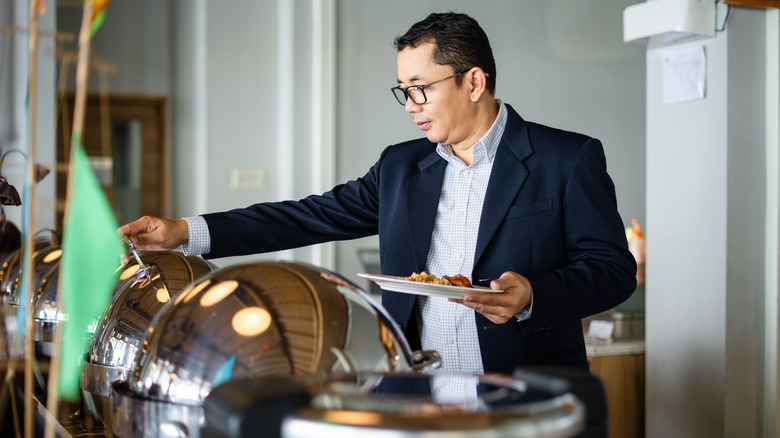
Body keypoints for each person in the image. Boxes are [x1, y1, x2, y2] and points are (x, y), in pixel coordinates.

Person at [120, 12, 636, 376]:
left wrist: (531, 297)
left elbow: (612, 272)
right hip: (415, 392)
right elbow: (307, 217)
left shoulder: (566, 159)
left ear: (474, 82)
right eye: (402, 90)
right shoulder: (401, 166)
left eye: (421, 87)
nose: (410, 105)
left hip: (525, 394)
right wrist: (186, 232)